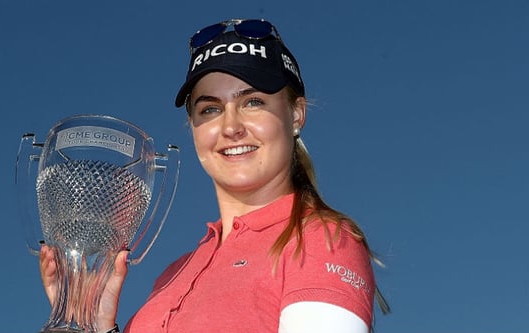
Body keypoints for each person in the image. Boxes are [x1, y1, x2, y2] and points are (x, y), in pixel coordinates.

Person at [39, 18, 389, 333]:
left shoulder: (321, 239)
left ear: (295, 115)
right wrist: (95, 326)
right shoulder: (172, 276)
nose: (231, 126)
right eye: (210, 109)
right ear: (192, 128)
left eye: (253, 102)